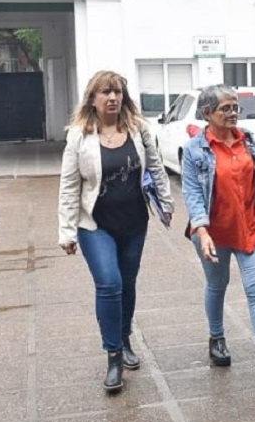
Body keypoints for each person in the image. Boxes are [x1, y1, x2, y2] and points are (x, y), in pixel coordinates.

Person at [58, 70, 174, 394]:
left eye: (117, 92)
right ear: (92, 99)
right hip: (94, 225)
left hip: (135, 222)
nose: (112, 97)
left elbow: (155, 168)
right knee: (109, 283)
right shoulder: (79, 135)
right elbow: (69, 185)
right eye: (105, 92)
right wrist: (66, 231)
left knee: (127, 283)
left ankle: (124, 338)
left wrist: (166, 203)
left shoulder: (139, 130)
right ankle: (113, 356)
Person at [181, 84, 255, 380]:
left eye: (234, 108)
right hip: (213, 232)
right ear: (208, 114)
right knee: (217, 285)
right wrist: (202, 231)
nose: (233, 114)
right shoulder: (194, 149)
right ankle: (216, 338)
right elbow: (192, 193)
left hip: (253, 226)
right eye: (225, 109)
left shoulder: (247, 140)